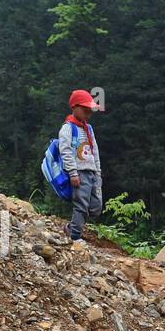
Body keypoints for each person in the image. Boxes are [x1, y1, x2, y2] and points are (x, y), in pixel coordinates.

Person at [59, 90, 103, 243]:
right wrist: (72, 172)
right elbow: (65, 151)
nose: (88, 113)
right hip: (79, 171)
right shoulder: (68, 128)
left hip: (92, 171)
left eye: (89, 111)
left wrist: (98, 172)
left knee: (96, 207)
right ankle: (74, 236)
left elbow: (94, 151)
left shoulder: (88, 128)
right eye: (85, 110)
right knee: (81, 205)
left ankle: (72, 226)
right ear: (74, 107)